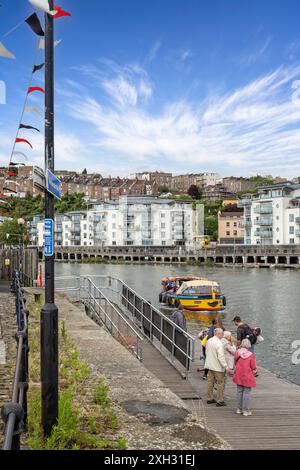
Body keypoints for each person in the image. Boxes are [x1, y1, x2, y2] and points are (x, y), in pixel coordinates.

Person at [205, 328, 230, 407]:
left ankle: (209, 398)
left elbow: (206, 352)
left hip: (210, 365)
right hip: (217, 367)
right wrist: (225, 366)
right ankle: (220, 400)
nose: (223, 336)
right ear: (218, 334)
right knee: (220, 383)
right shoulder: (219, 343)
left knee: (210, 382)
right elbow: (221, 357)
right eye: (222, 334)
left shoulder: (209, 341)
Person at [233, 338, 257, 416]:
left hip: (239, 374)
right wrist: (255, 371)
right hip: (247, 374)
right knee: (247, 392)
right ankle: (246, 410)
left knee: (239, 391)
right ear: (248, 345)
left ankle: (239, 409)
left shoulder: (237, 352)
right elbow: (253, 366)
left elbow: (235, 362)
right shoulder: (250, 354)